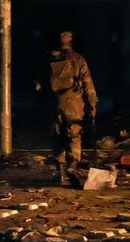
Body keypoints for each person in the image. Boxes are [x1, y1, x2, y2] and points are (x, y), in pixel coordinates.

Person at [41, 31, 97, 185]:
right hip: (73, 103)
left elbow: (40, 85)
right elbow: (88, 84)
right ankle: (72, 166)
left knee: (57, 136)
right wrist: (92, 104)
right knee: (74, 136)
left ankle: (59, 173)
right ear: (71, 41)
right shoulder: (78, 59)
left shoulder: (50, 58)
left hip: (54, 103)